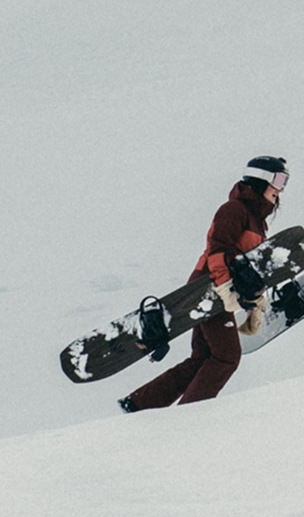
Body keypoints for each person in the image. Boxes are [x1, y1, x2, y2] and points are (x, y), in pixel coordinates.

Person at [118, 156, 290, 412]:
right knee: (227, 357)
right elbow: (218, 252)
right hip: (208, 287)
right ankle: (190, 416)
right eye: (278, 179)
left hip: (219, 289)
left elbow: (249, 268)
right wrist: (223, 290)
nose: (281, 188)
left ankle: (139, 403)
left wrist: (255, 303)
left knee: (203, 358)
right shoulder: (234, 210)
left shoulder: (258, 222)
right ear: (259, 179)